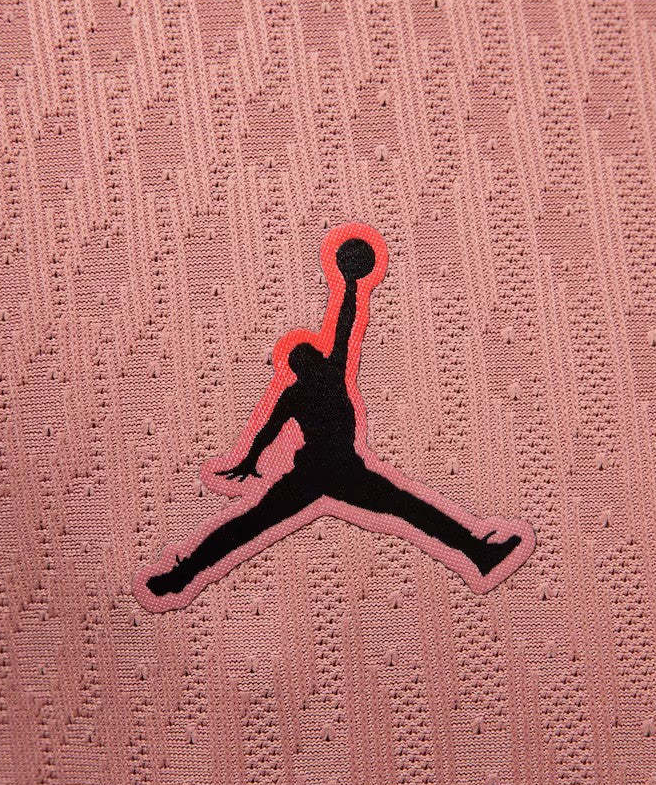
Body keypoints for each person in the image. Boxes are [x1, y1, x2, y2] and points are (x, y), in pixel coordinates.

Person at [145, 233, 522, 600]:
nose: (308, 357)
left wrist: (351, 285)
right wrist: (249, 458)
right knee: (405, 509)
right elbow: (269, 427)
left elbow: (342, 325)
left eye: (306, 354)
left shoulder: (316, 381)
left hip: (327, 472)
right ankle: (182, 574)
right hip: (330, 471)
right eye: (303, 356)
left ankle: (479, 553)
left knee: (251, 525)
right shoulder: (321, 378)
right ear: (302, 365)